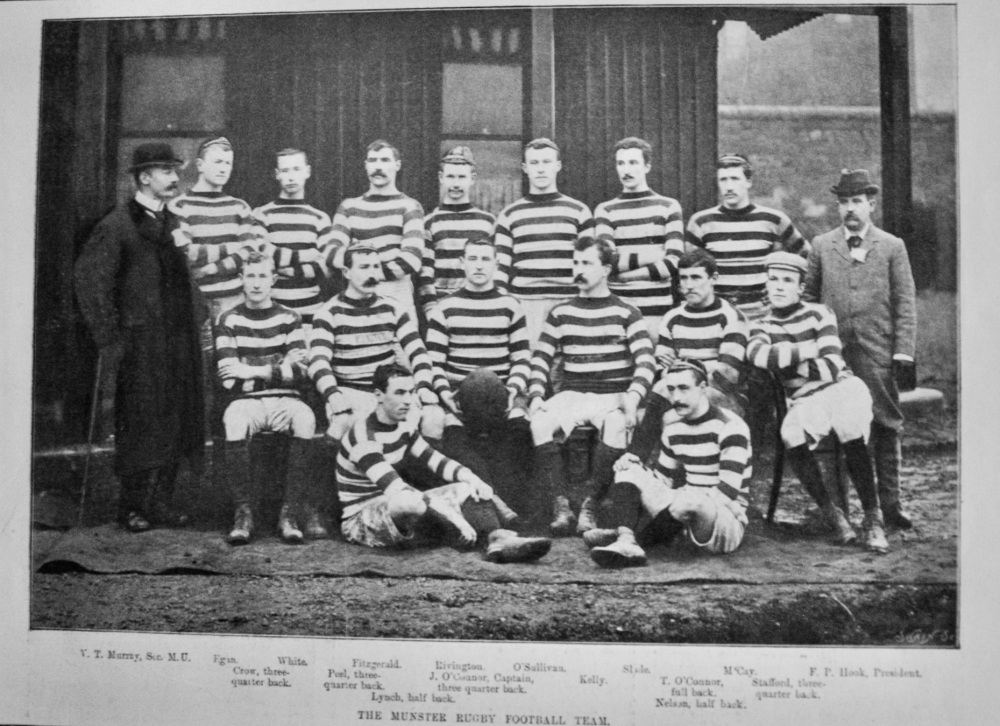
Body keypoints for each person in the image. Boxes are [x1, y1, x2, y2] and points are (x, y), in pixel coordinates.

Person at [74, 141, 204, 532]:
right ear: (144, 177)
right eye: (165, 171)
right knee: (141, 421)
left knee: (178, 418)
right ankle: (130, 506)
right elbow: (90, 282)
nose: (174, 177)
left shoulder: (176, 224)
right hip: (141, 345)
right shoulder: (117, 225)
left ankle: (161, 504)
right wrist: (112, 338)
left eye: (174, 170)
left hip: (178, 341)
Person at [336, 363, 551, 563]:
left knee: (467, 487)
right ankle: (456, 531)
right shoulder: (363, 437)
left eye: (411, 392)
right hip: (362, 518)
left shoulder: (403, 426)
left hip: (397, 505)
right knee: (409, 501)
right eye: (399, 393)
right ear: (379, 396)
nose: (408, 400)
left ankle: (497, 538)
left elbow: (436, 460)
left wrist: (472, 479)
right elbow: (396, 489)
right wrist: (451, 515)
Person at [747, 251, 888, 553]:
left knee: (850, 426)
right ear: (766, 284)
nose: (780, 287)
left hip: (841, 388)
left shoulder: (819, 314)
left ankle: (873, 519)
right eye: (773, 280)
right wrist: (809, 349)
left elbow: (832, 367)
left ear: (800, 287)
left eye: (788, 281)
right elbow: (759, 356)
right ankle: (833, 515)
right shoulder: (761, 326)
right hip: (804, 399)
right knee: (790, 434)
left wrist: (785, 358)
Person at [804, 169, 917, 531]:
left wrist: (903, 353)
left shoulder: (892, 246)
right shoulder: (822, 245)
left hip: (877, 353)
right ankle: (841, 511)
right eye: (843, 202)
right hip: (834, 358)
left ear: (871, 204)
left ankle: (891, 506)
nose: (850, 209)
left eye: (856, 202)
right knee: (838, 430)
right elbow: (808, 299)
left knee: (886, 425)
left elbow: (905, 304)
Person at [528, 236, 655, 536]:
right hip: (572, 394)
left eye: (587, 263)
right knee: (539, 423)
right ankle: (561, 505)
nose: (579, 269)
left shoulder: (627, 312)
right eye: (575, 262)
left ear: (607, 269)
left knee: (616, 424)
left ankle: (591, 505)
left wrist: (633, 398)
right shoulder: (561, 312)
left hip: (613, 394)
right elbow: (540, 359)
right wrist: (535, 394)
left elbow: (646, 362)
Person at [585, 359, 752, 567]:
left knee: (691, 500)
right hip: (680, 510)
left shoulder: (730, 427)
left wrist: (681, 501)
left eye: (684, 388)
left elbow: (727, 492)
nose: (677, 397)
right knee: (627, 465)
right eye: (671, 390)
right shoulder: (673, 429)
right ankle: (626, 540)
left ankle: (638, 538)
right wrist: (638, 468)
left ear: (702, 388)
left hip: (723, 519)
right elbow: (664, 481)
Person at [215, 252, 326, 545]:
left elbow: (299, 371)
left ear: (273, 280)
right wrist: (278, 368)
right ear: (241, 280)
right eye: (250, 276)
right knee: (235, 420)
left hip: (285, 400)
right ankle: (244, 513)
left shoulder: (290, 317)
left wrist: (251, 370)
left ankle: (289, 513)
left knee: (306, 417)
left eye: (262, 276)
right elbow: (227, 377)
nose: (256, 283)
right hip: (246, 401)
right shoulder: (228, 319)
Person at [425, 234, 534, 501]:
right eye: (472, 259)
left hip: (501, 395)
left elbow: (521, 357)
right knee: (454, 438)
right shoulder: (445, 307)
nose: (479, 266)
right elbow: (434, 362)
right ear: (461, 263)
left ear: (496, 265)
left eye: (486, 259)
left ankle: (512, 503)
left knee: (519, 431)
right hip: (459, 396)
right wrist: (445, 395)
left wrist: (512, 389)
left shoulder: (510, 305)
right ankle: (486, 503)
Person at [309, 245, 441, 442]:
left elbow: (418, 353)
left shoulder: (393, 308)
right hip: (350, 391)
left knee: (434, 416)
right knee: (343, 422)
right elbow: (318, 362)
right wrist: (332, 393)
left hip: (387, 392)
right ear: (346, 272)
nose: (372, 274)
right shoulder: (329, 313)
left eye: (375, 267)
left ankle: (421, 471)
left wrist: (422, 386)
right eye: (364, 267)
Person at [629, 248, 750, 461]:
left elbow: (728, 376)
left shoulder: (731, 317)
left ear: (714, 279)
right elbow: (662, 369)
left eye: (696, 277)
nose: (689, 285)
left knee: (668, 411)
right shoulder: (673, 317)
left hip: (724, 397)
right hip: (680, 391)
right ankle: (639, 466)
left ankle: (644, 464)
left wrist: (682, 365)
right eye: (683, 278)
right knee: (665, 402)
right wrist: (702, 366)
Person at [494, 137, 594, 344]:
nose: (540, 169)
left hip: (569, 301)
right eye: (534, 163)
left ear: (558, 166)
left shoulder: (579, 211)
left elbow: (590, 266)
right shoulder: (509, 214)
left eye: (546, 162)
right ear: (525, 168)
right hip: (526, 305)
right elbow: (500, 269)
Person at [685, 153, 808, 321]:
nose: (729, 187)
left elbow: (807, 258)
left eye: (735, 179)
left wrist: (784, 295)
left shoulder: (773, 219)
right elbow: (688, 273)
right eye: (723, 180)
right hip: (717, 317)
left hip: (762, 317)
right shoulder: (700, 222)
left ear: (748, 182)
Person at [594, 136, 685, 341]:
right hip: (617, 311)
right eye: (621, 163)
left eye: (633, 162)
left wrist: (625, 276)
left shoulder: (668, 206)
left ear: (647, 166)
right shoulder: (605, 210)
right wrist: (654, 255)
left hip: (657, 312)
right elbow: (607, 262)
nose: (626, 170)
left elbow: (674, 263)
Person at [325, 139, 425, 323]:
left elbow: (411, 259)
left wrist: (360, 268)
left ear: (397, 165)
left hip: (397, 293)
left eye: (385, 160)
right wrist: (383, 261)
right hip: (357, 295)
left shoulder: (410, 207)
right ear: (365, 165)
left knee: (401, 349)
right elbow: (331, 253)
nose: (378, 166)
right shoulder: (349, 207)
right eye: (373, 160)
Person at [251, 148, 336, 325]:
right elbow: (261, 256)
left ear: (307, 172)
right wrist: (306, 256)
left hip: (311, 313)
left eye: (296, 169)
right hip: (271, 314)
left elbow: (327, 267)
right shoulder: (261, 215)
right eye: (285, 170)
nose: (291, 177)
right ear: (277, 174)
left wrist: (290, 270)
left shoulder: (320, 218)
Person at [418, 146, 496, 315]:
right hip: (442, 307)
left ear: (472, 179)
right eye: (450, 176)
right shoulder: (429, 223)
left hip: (480, 306)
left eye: (461, 177)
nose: (455, 183)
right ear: (441, 178)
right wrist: (431, 310)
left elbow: (495, 269)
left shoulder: (487, 222)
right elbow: (425, 272)